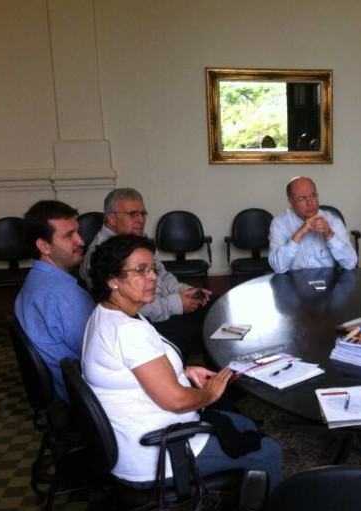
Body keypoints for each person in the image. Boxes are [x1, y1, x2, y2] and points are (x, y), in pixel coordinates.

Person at [81, 234, 282, 491]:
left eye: (152, 268)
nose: (153, 277)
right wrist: (208, 395)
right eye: (140, 270)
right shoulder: (127, 331)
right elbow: (175, 400)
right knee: (269, 452)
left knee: (243, 424)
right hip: (158, 454)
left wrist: (184, 371)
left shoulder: (108, 314)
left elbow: (136, 370)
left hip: (140, 439)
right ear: (112, 280)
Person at [80, 188, 210, 359]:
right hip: (147, 319)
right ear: (111, 218)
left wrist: (185, 291)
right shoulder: (102, 255)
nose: (140, 219)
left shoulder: (137, 240)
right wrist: (177, 303)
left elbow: (162, 275)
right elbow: (130, 310)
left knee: (214, 305)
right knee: (207, 331)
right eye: (133, 214)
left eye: (143, 213)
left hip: (163, 306)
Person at [15, 201, 95, 402]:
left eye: (77, 232)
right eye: (69, 236)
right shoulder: (63, 295)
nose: (81, 241)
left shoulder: (34, 281)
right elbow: (99, 356)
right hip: (85, 397)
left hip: (66, 392)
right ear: (44, 246)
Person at [268, 176, 357, 273]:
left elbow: (351, 263)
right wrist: (299, 233)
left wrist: (329, 234)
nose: (310, 203)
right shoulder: (279, 223)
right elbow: (278, 267)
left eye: (313, 196)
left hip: (329, 281)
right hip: (294, 282)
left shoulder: (333, 220)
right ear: (291, 202)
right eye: (302, 198)